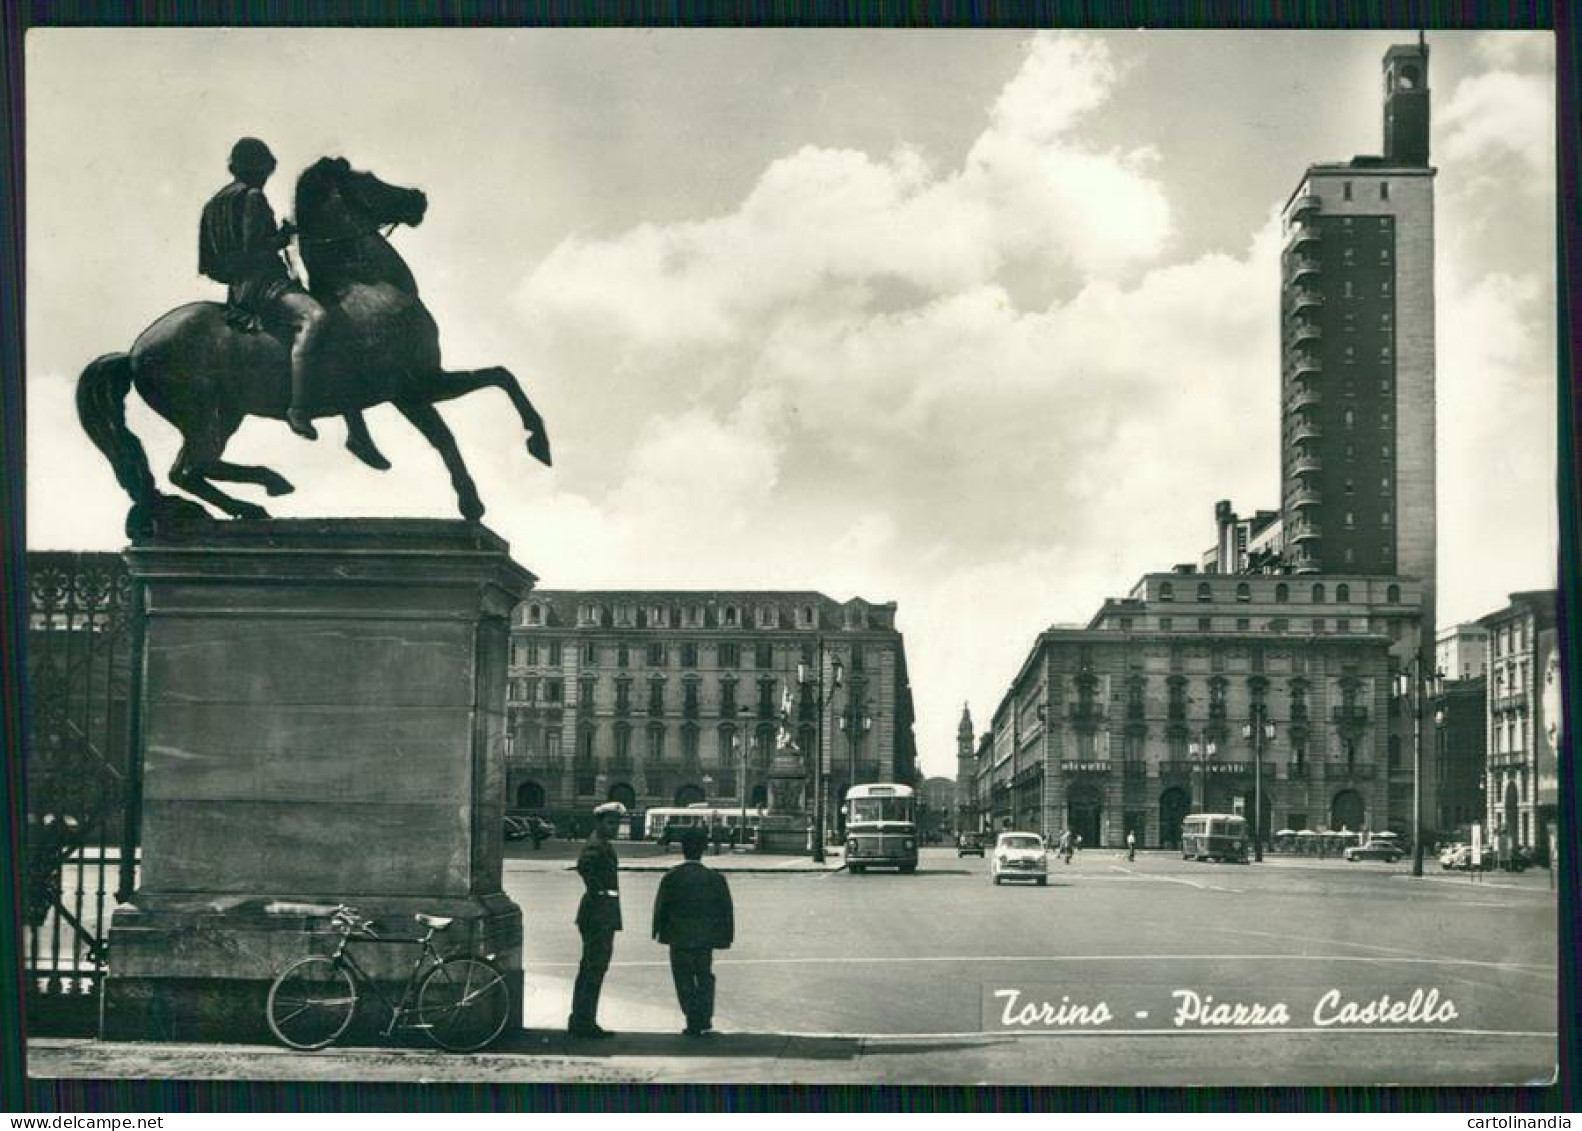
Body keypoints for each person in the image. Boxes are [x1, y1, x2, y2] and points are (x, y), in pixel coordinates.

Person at [198, 137, 327, 441]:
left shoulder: (214, 204)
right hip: (266, 285)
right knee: (316, 318)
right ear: (260, 169)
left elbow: (210, 265)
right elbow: (253, 248)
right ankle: (299, 408)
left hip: (237, 290)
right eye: (265, 170)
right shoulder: (253, 197)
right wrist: (282, 237)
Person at [652, 827, 735, 1037]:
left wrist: (658, 931)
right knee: (705, 975)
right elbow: (726, 910)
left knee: (683, 977)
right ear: (704, 849)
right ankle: (704, 1016)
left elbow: (661, 906)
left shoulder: (672, 877)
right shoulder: (715, 878)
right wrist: (726, 936)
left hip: (678, 936)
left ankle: (692, 1018)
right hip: (705, 937)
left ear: (682, 849)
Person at [568, 800, 625, 1039]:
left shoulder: (602, 843)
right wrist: (599, 891)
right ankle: (584, 1023)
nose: (614, 827)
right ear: (600, 822)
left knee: (592, 968)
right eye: (610, 822)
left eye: (616, 823)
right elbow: (584, 866)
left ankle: (582, 1019)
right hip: (598, 913)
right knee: (593, 969)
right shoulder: (596, 845)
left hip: (600, 913)